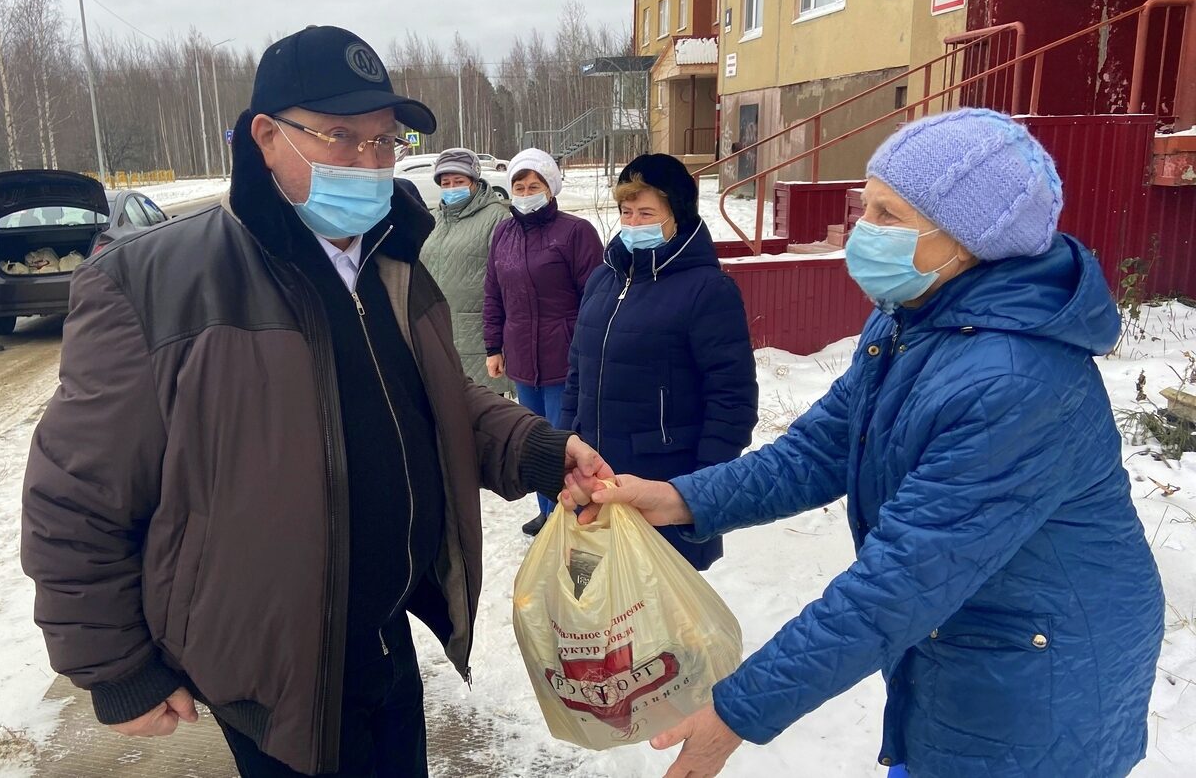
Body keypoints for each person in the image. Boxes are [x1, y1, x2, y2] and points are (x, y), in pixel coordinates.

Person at [20, 25, 611, 778]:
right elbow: (74, 497)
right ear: (266, 137)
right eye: (340, 137)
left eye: (384, 142)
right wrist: (113, 668)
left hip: (385, 636)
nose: (369, 163)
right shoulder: (155, 283)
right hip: (275, 673)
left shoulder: (388, 259)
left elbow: (431, 395)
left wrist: (535, 448)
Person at [567, 109, 1165, 778]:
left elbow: (899, 582)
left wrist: (738, 711)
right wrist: (677, 497)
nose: (861, 231)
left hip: (1041, 681)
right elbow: (817, 451)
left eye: (887, 215)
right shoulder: (914, 320)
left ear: (968, 241)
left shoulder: (1014, 380)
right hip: (967, 644)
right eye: (864, 207)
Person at [561, 154, 757, 571]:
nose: (632, 224)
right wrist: (563, 443)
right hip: (596, 477)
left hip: (664, 485)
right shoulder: (603, 279)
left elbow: (732, 400)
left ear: (678, 216)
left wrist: (702, 490)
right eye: (626, 212)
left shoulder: (708, 290)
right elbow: (577, 372)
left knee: (659, 617)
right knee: (598, 604)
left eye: (646, 212)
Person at [483, 148, 603, 536]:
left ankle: (567, 516)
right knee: (535, 442)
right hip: (520, 356)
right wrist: (493, 346)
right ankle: (547, 511)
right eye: (519, 185)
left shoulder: (575, 232)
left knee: (563, 441)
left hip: (563, 358)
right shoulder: (503, 232)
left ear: (551, 190)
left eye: (534, 185)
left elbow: (595, 297)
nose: (525, 191)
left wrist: (587, 350)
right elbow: (493, 293)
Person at [421, 147, 511, 393]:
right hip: (438, 334)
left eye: (459, 181)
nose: (451, 188)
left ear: (474, 181)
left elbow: (504, 281)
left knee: (486, 417)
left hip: (478, 338)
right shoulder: (434, 219)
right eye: (446, 182)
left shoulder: (496, 218)